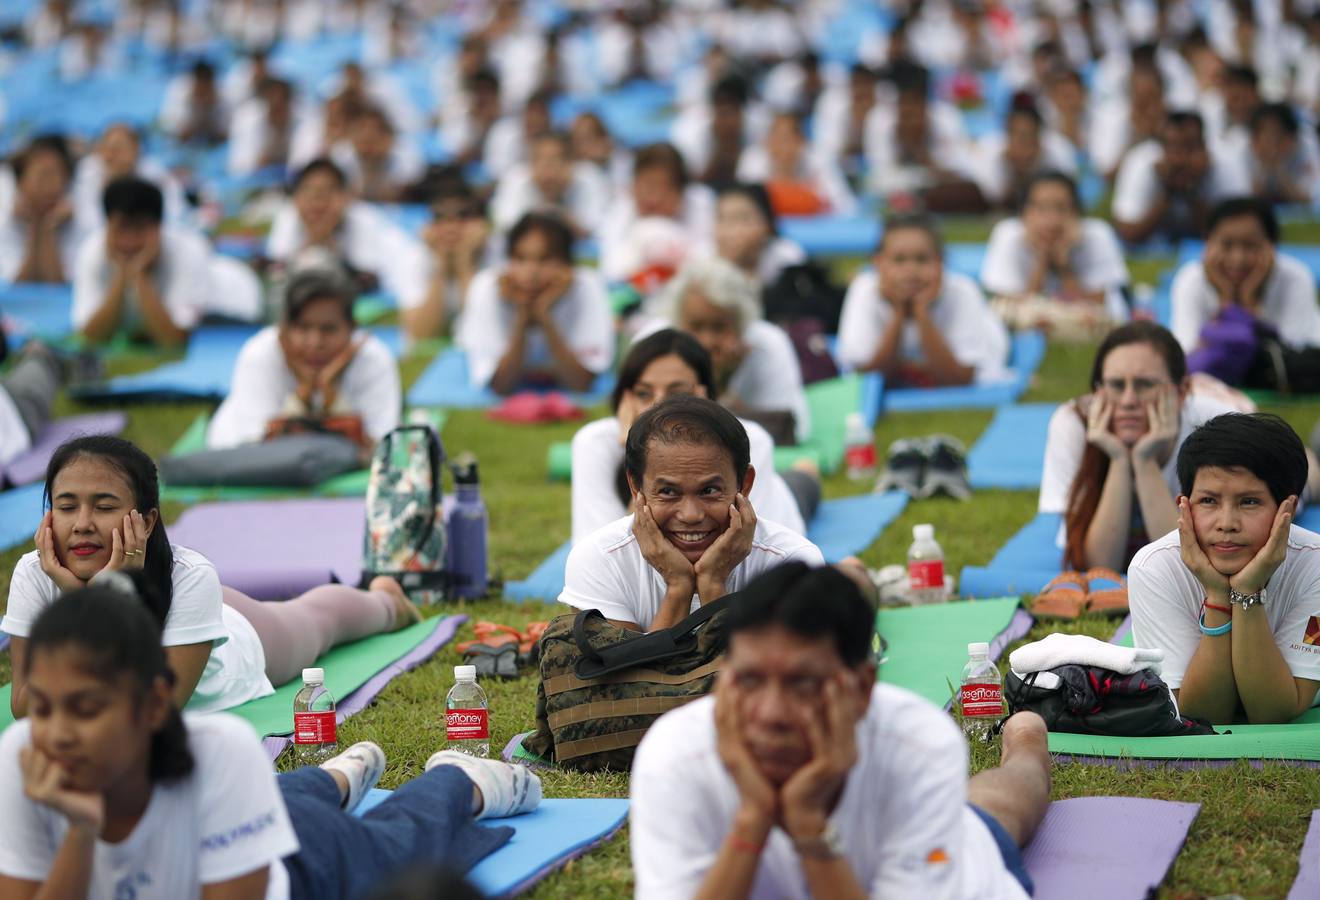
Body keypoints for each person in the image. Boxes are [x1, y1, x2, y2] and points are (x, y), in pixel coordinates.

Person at [0, 581, 543, 899]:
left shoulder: (218, 751)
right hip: (253, 815)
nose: (58, 734)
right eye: (42, 707)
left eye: (87, 708)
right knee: (286, 800)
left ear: (154, 704)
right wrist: (79, 832)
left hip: (302, 869)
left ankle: (459, 777)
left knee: (398, 840)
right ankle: (334, 777)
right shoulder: (21, 756)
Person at [630, 562, 1051, 899]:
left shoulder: (918, 744)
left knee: (1001, 805)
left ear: (863, 688)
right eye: (750, 680)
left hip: (954, 862)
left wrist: (809, 827)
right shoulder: (675, 755)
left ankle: (1027, 735)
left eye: (803, 684)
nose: (772, 713)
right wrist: (752, 821)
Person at [4, 435, 423, 718]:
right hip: (184, 614)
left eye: (104, 505)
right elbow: (24, 704)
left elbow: (153, 709)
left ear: (147, 521)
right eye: (66, 505)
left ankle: (388, 603)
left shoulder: (191, 576)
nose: (82, 523)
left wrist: (106, 600)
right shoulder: (34, 574)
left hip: (239, 645)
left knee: (317, 621)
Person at [560, 396, 824, 634]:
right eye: (668, 492)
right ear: (635, 487)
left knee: (802, 486)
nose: (691, 515)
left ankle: (806, 472)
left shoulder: (792, 561)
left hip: (790, 499)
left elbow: (765, 680)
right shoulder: (599, 561)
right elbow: (628, 682)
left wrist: (712, 584)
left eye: (709, 490)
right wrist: (678, 587)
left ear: (744, 484)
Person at [1129, 413, 1320, 724]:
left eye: (1249, 502)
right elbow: (1200, 714)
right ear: (1185, 506)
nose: (1227, 523)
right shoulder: (1154, 568)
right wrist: (1217, 594)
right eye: (1208, 501)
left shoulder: (1316, 565)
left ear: (1289, 509)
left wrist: (1247, 590)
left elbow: (1273, 712)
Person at [570, 328, 813, 543]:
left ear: (703, 395)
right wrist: (634, 452)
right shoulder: (594, 442)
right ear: (626, 400)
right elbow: (599, 553)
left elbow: (752, 548)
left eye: (676, 393)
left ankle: (806, 471)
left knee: (802, 483)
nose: (658, 405)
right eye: (644, 393)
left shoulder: (752, 439)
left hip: (784, 499)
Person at [1040, 322, 1242, 572]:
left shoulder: (1215, 425)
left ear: (1181, 392)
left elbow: (1183, 567)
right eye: (1115, 385)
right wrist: (1119, 459)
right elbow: (1100, 567)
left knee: (1304, 473)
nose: (1128, 401)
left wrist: (1145, 460)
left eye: (1144, 385)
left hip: (1228, 399)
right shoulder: (1073, 423)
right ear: (1097, 391)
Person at [206, 268, 400, 453]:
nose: (315, 343)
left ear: (352, 329)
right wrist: (304, 394)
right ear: (283, 329)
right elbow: (256, 448)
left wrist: (329, 395)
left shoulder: (374, 358)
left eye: (328, 329)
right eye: (303, 328)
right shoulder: (260, 354)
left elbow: (382, 446)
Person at [650, 256, 810, 443]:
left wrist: (724, 388)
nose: (707, 341)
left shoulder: (768, 343)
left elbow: (797, 430)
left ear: (742, 325)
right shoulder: (655, 342)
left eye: (719, 327)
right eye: (696, 326)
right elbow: (646, 427)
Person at [838, 214, 1009, 387]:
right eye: (899, 260)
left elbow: (957, 380)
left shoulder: (963, 291)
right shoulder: (864, 289)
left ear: (941, 262)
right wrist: (899, 313)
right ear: (878, 263)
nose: (911, 271)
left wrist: (921, 312)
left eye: (922, 259)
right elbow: (869, 380)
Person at [455, 212, 613, 395]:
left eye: (545, 259)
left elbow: (580, 384)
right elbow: (501, 385)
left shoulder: (587, 285)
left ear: (568, 265)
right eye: (520, 259)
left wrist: (544, 316)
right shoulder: (487, 287)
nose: (531, 272)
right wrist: (523, 315)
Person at [1170, 197, 1320, 383]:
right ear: (1208, 243)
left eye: (1250, 245)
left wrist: (1248, 300)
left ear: (1272, 246)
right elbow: (1186, 355)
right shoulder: (1191, 279)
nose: (1238, 258)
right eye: (1227, 244)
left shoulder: (1296, 278)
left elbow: (1295, 357)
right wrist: (1227, 299)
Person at [265, 158, 428, 310]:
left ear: (346, 197)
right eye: (309, 192)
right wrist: (312, 243)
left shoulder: (366, 220)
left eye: (328, 192)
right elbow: (276, 274)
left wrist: (326, 243)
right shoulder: (287, 216)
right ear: (296, 198)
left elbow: (367, 282)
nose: (318, 203)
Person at [980, 171, 1130, 335]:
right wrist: (1042, 259)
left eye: (1061, 208)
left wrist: (1064, 266)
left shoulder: (1098, 234)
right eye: (1041, 209)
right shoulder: (1007, 234)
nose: (1051, 220)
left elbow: (1101, 307)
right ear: (1024, 214)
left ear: (1076, 213)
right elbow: (1010, 310)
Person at [71, 177, 209, 346]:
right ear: (107, 226)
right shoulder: (92, 251)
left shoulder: (189, 252)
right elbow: (90, 338)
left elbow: (174, 341)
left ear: (159, 227)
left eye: (140, 228)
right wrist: (122, 275)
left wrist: (139, 274)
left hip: (233, 313)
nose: (130, 241)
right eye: (122, 228)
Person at [1111, 111, 1250, 244]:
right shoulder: (1141, 161)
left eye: (1189, 147)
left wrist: (1194, 190)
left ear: (1204, 148)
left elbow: (1238, 235)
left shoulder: (1227, 162)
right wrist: (1168, 192)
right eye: (1173, 148)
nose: (1180, 159)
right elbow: (1128, 233)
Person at [599, 142, 715, 289]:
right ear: (633, 186)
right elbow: (610, 270)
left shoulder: (700, 203)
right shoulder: (619, 211)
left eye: (664, 188)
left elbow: (708, 263)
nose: (654, 199)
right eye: (648, 186)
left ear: (681, 192)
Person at [405, 179, 492, 340]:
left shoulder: (499, 255)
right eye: (441, 218)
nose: (450, 227)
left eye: (462, 216)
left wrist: (464, 262)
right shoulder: (416, 257)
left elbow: (484, 332)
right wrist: (442, 266)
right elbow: (421, 334)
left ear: (482, 224)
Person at [490, 130, 610, 238]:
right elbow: (506, 228)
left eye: (555, 161)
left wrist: (557, 213)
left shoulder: (590, 178)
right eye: (540, 161)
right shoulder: (515, 179)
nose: (548, 173)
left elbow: (597, 232)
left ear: (571, 163)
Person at [735, 112, 857, 217]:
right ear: (766, 141)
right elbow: (741, 207)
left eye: (788, 139)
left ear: (802, 142)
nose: (783, 147)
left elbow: (846, 207)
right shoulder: (752, 160)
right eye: (777, 138)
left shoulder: (818, 159)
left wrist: (811, 202)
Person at [0, 134, 83, 284]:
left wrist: (48, 229)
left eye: (57, 175)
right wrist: (33, 227)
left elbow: (57, 283)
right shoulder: (6, 221)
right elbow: (19, 284)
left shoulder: (78, 220)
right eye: (43, 175)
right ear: (21, 183)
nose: (51, 185)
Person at [711, 182, 806, 288]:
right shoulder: (703, 260)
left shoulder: (786, 257)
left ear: (767, 224)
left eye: (741, 219)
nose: (730, 231)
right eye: (722, 219)